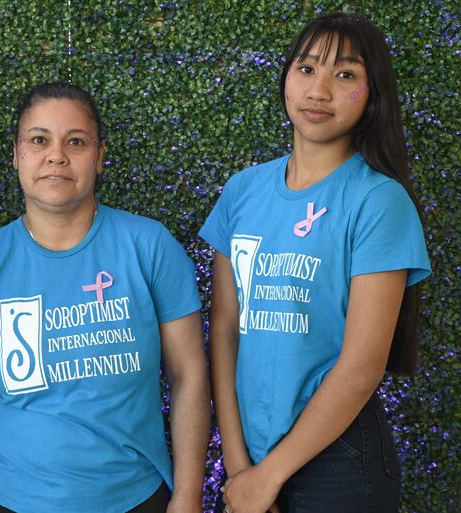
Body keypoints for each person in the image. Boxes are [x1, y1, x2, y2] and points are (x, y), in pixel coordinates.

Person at [199, 13, 431, 513]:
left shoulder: (377, 201)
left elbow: (362, 364)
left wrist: (271, 476)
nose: (319, 89)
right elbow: (224, 329)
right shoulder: (243, 191)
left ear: (372, 93)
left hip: (339, 461)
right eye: (307, 68)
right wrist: (240, 466)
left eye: (345, 74)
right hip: (251, 456)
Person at [0, 82, 210, 513]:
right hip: (11, 499)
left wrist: (187, 496)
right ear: (17, 154)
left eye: (76, 141)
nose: (56, 155)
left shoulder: (149, 246)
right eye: (39, 140)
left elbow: (189, 378)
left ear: (100, 155)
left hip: (135, 497)